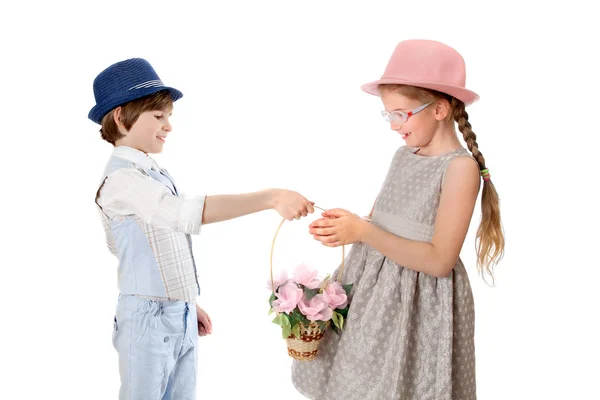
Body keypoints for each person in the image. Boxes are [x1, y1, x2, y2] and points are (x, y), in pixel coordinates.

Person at [89, 58, 314, 400]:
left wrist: (184, 302)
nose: (168, 126)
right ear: (121, 117)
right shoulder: (122, 180)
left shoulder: (152, 175)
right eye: (158, 116)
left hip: (174, 312)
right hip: (146, 318)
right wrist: (269, 197)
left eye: (169, 116)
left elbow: (157, 247)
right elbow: (184, 214)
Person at [292, 39, 505, 400]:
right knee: (357, 381)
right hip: (373, 297)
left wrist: (364, 231)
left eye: (400, 114)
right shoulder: (403, 156)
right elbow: (379, 222)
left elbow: (439, 261)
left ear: (439, 109)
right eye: (387, 114)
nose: (392, 125)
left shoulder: (459, 169)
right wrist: (350, 226)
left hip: (417, 305)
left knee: (405, 385)